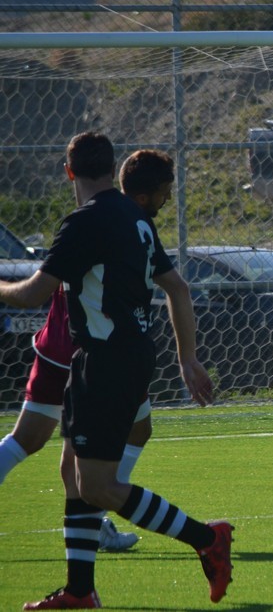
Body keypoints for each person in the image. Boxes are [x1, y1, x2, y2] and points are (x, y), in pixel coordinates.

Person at [0, 134, 233, 610]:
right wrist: (187, 358)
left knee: (98, 485)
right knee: (74, 473)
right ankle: (79, 590)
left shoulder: (85, 221)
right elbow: (178, 287)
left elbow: (32, 294)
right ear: (112, 169)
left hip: (106, 361)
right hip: (113, 357)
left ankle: (206, 538)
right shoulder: (135, 217)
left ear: (69, 171)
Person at [0, 149, 184, 553]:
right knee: (119, 441)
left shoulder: (93, 217)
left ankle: (89, 540)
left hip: (63, 346)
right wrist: (188, 361)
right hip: (101, 351)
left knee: (35, 442)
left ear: (69, 172)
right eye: (164, 193)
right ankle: (195, 534)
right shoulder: (113, 220)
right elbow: (38, 292)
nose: (167, 200)